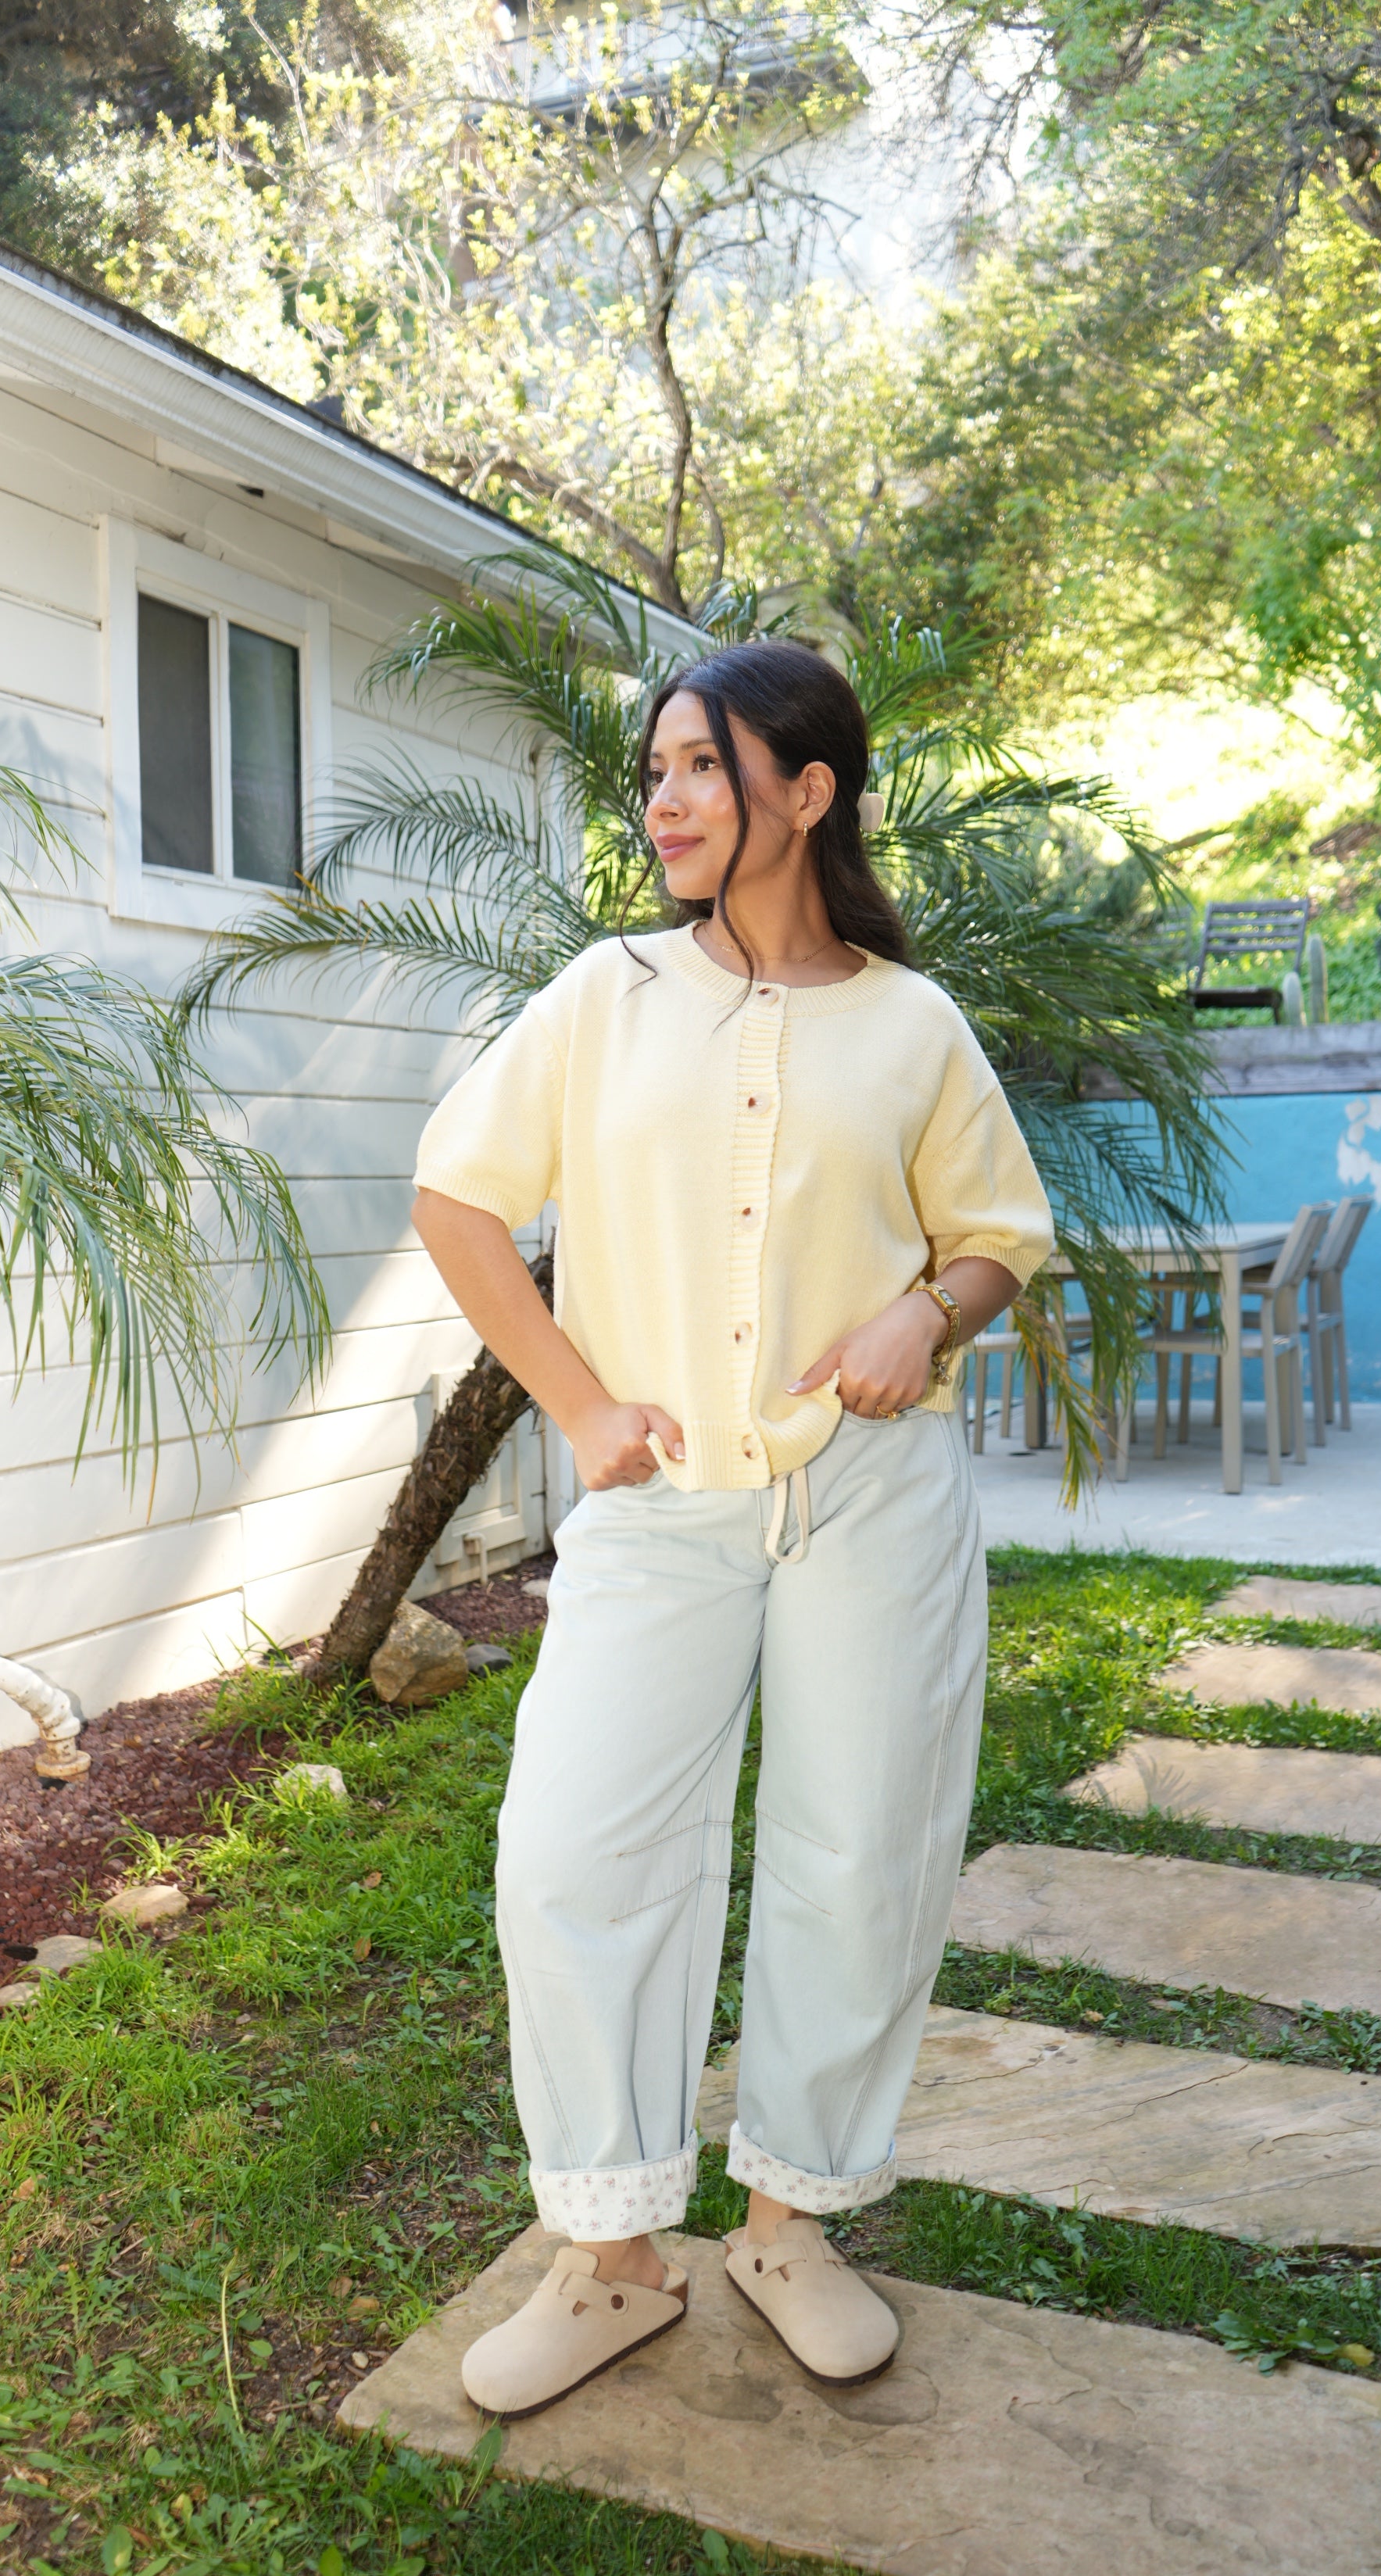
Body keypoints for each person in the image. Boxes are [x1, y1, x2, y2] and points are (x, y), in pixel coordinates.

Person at [410, 637, 1052, 2419]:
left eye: (702, 766)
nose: (668, 803)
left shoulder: (912, 1026)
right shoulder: (603, 996)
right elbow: (458, 1201)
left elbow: (999, 1235)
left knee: (859, 1851)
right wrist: (578, 1403)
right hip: (658, 1504)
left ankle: (790, 2225)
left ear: (807, 790)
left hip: (871, 1504)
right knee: (571, 1852)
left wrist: (926, 1312)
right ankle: (611, 2258)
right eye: (657, 773)